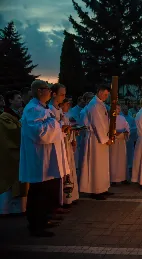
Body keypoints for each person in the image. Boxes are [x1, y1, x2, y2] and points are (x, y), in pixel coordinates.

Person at [19, 80, 65, 237]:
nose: (51, 92)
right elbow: (39, 133)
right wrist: (56, 124)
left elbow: (50, 128)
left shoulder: (41, 108)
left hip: (46, 157)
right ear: (39, 91)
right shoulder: (32, 109)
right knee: (38, 192)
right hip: (39, 158)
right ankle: (35, 225)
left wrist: (58, 127)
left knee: (45, 191)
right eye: (48, 89)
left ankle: (43, 219)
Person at [79, 84, 112, 200]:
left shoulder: (100, 104)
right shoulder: (93, 105)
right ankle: (96, 190)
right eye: (105, 94)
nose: (106, 97)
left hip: (101, 138)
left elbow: (104, 121)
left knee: (103, 165)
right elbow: (97, 123)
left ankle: (103, 187)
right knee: (96, 164)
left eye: (107, 95)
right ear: (99, 91)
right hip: (96, 139)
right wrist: (105, 139)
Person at [0, 90, 28, 215]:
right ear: (10, 101)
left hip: (18, 153)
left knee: (20, 181)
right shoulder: (4, 117)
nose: (20, 100)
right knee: (11, 181)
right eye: (17, 98)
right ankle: (7, 209)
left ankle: (20, 208)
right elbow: (13, 133)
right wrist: (22, 121)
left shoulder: (15, 115)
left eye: (20, 97)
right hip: (10, 154)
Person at [49, 83, 71, 212]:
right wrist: (61, 127)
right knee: (52, 177)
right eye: (62, 94)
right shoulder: (50, 109)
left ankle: (58, 203)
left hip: (61, 143)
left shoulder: (58, 109)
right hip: (52, 147)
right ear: (54, 94)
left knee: (59, 176)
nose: (64, 97)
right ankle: (53, 207)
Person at [60, 99, 79, 205]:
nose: (68, 106)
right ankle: (65, 198)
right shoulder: (60, 116)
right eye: (67, 104)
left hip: (68, 145)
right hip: (63, 146)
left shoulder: (66, 116)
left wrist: (73, 138)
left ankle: (71, 196)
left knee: (70, 169)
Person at [110, 103, 130, 185]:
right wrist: (114, 133)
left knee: (122, 160)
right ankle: (113, 179)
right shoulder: (110, 118)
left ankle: (123, 178)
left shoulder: (122, 118)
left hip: (121, 141)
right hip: (113, 142)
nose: (117, 109)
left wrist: (125, 132)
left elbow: (127, 128)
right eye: (116, 108)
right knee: (113, 160)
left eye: (118, 108)